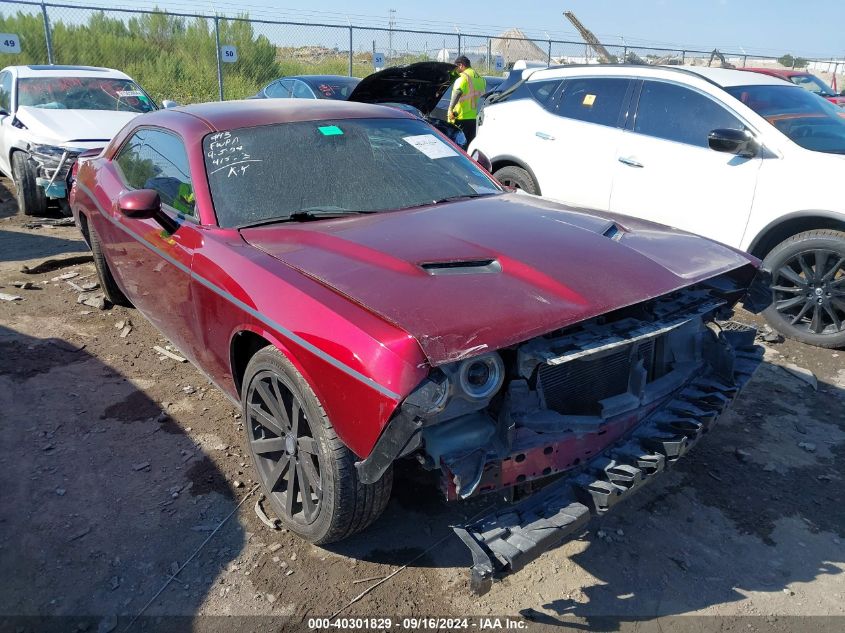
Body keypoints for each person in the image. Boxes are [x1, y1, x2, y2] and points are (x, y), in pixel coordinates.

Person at [447, 56, 486, 145]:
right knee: (470, 145)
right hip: (475, 118)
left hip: (461, 117)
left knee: (458, 146)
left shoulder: (462, 76)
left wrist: (450, 109)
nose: (455, 70)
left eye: (456, 67)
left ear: (461, 65)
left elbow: (457, 92)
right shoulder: (481, 78)